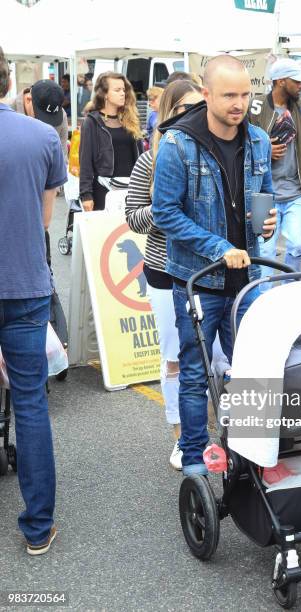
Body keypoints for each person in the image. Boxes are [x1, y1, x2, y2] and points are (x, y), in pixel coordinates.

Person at [153, 55, 276, 476]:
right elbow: (165, 213)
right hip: (198, 280)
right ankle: (193, 460)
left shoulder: (258, 140)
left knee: (253, 369)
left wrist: (270, 219)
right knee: (194, 373)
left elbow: (266, 195)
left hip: (247, 280)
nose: (239, 103)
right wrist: (218, 246)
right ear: (206, 95)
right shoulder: (176, 145)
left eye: (245, 94)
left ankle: (253, 455)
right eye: (229, 95)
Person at [126, 79, 230, 469]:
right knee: (177, 358)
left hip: (211, 270)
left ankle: (221, 433)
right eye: (185, 108)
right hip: (165, 270)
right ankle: (181, 437)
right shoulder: (151, 159)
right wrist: (165, 206)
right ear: (170, 113)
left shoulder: (217, 149)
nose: (195, 114)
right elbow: (133, 218)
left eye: (199, 106)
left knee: (218, 357)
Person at [0, 47, 67, 555]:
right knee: (30, 401)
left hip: (23, 284)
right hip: (24, 283)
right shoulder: (43, 136)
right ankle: (38, 527)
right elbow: (45, 218)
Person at [248, 57, 301, 283]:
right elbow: (240, 146)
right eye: (296, 81)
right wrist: (264, 149)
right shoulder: (255, 106)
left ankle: (290, 293)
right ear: (280, 81)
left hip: (296, 192)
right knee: (265, 253)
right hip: (262, 195)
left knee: (298, 245)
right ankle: (262, 301)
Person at [79, 71, 143, 211]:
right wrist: (86, 195)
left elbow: (141, 157)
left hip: (131, 191)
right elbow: (85, 161)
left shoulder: (131, 119)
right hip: (103, 191)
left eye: (123, 90)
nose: (122, 93)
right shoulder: (92, 122)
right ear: (105, 94)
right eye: (117, 90)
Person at [10, 79, 68, 161]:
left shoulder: (61, 115)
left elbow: (61, 157)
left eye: (51, 118)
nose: (46, 123)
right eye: (41, 116)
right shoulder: (7, 113)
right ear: (28, 99)